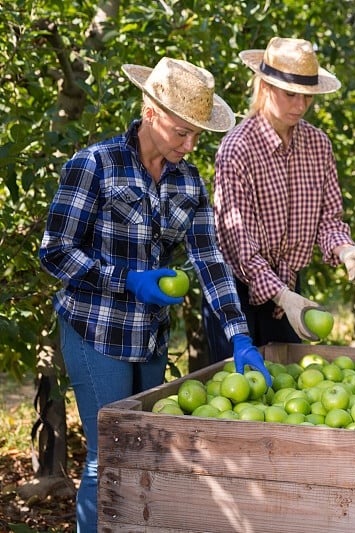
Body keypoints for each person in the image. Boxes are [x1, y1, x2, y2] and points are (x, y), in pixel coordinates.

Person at [39, 57, 271, 532]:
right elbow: (55, 252)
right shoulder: (95, 165)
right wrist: (125, 278)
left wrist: (240, 335)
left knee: (150, 451)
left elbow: (210, 261)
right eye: (182, 132)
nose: (190, 145)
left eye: (198, 135)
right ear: (150, 113)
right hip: (96, 329)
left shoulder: (188, 180)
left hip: (149, 336)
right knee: (108, 455)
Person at [202, 36, 355, 361]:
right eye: (290, 95)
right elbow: (238, 244)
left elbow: (328, 221)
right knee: (233, 400)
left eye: (307, 97)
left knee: (286, 393)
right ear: (265, 87)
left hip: (288, 288)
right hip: (236, 292)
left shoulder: (317, 145)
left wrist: (347, 251)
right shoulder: (237, 149)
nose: (300, 106)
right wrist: (283, 297)